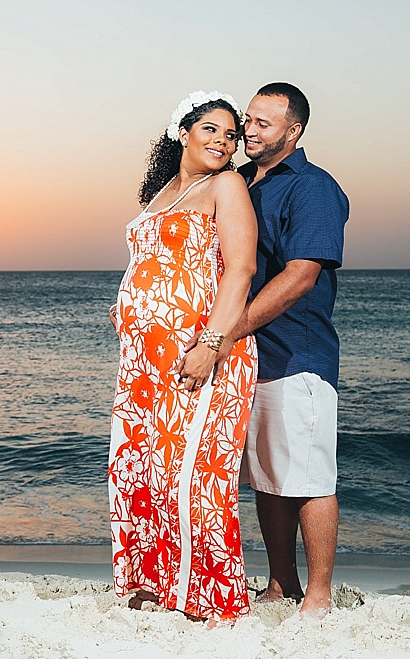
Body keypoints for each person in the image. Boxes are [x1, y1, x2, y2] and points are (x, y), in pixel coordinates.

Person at [181, 82, 349, 619]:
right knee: (268, 475)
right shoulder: (241, 186)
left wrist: (225, 333)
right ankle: (282, 583)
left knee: (309, 478)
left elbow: (301, 275)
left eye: (261, 124)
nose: (248, 131)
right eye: (246, 121)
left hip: (297, 352)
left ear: (292, 131)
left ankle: (319, 593)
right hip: (247, 357)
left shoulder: (312, 187)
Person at [108, 90, 260, 622]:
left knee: (196, 472)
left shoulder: (227, 185)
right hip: (143, 362)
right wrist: (126, 305)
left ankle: (209, 597)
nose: (222, 142)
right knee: (142, 470)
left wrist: (210, 346)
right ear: (182, 132)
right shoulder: (162, 193)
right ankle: (155, 582)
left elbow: (240, 271)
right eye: (210, 130)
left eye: (230, 135)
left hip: (201, 352)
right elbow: (153, 263)